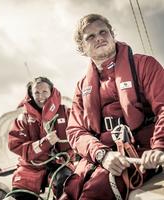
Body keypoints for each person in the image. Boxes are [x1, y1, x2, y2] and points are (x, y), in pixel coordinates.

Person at [61, 14, 164, 200]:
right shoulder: (82, 86)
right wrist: (101, 154)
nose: (99, 37)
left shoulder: (144, 65)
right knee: (67, 192)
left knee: (93, 194)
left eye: (103, 32)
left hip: (139, 152)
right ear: (82, 48)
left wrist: (159, 147)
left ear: (112, 35)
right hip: (99, 157)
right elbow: (75, 130)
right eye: (90, 37)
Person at [8, 77, 75, 200]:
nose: (41, 96)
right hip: (31, 166)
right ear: (31, 95)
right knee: (19, 194)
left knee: (66, 183)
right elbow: (15, 145)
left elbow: (79, 132)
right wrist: (44, 143)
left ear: (51, 91)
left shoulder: (66, 112)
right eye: (36, 92)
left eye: (44, 91)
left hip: (61, 162)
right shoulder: (23, 118)